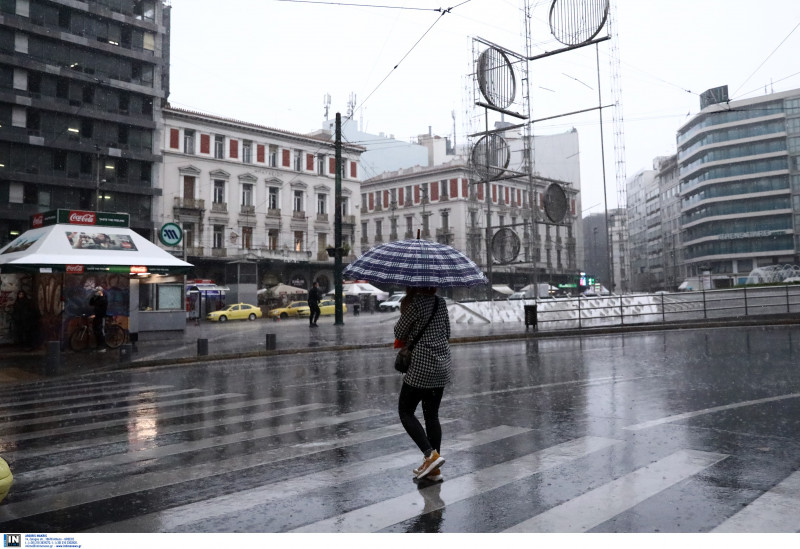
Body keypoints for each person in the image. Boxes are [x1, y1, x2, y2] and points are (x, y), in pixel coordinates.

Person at [394, 286, 451, 482]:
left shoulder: (416, 303)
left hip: (421, 364)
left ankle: (430, 454)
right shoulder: (440, 302)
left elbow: (399, 331)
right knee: (432, 415)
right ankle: (433, 469)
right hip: (441, 364)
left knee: (405, 411)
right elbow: (447, 332)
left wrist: (406, 308)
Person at [89, 286, 108, 352]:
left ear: (101, 291)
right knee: (96, 331)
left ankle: (102, 347)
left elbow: (101, 309)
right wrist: (94, 296)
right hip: (96, 316)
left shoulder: (103, 299)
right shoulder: (98, 298)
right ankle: (99, 345)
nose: (96, 292)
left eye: (97, 291)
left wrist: (96, 315)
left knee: (100, 331)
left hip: (100, 317)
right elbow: (91, 303)